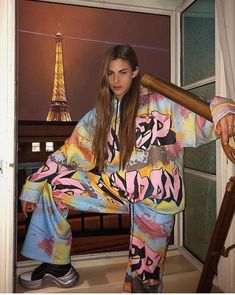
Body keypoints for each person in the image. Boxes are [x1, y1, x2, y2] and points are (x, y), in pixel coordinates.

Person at [19, 44, 235, 292]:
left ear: (135, 72)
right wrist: (33, 185)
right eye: (110, 73)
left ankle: (146, 277)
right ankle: (57, 266)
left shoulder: (160, 104)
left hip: (155, 193)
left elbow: (203, 115)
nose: (115, 79)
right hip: (118, 188)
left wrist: (223, 109)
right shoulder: (101, 113)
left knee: (141, 281)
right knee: (54, 185)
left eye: (122, 72)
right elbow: (69, 153)